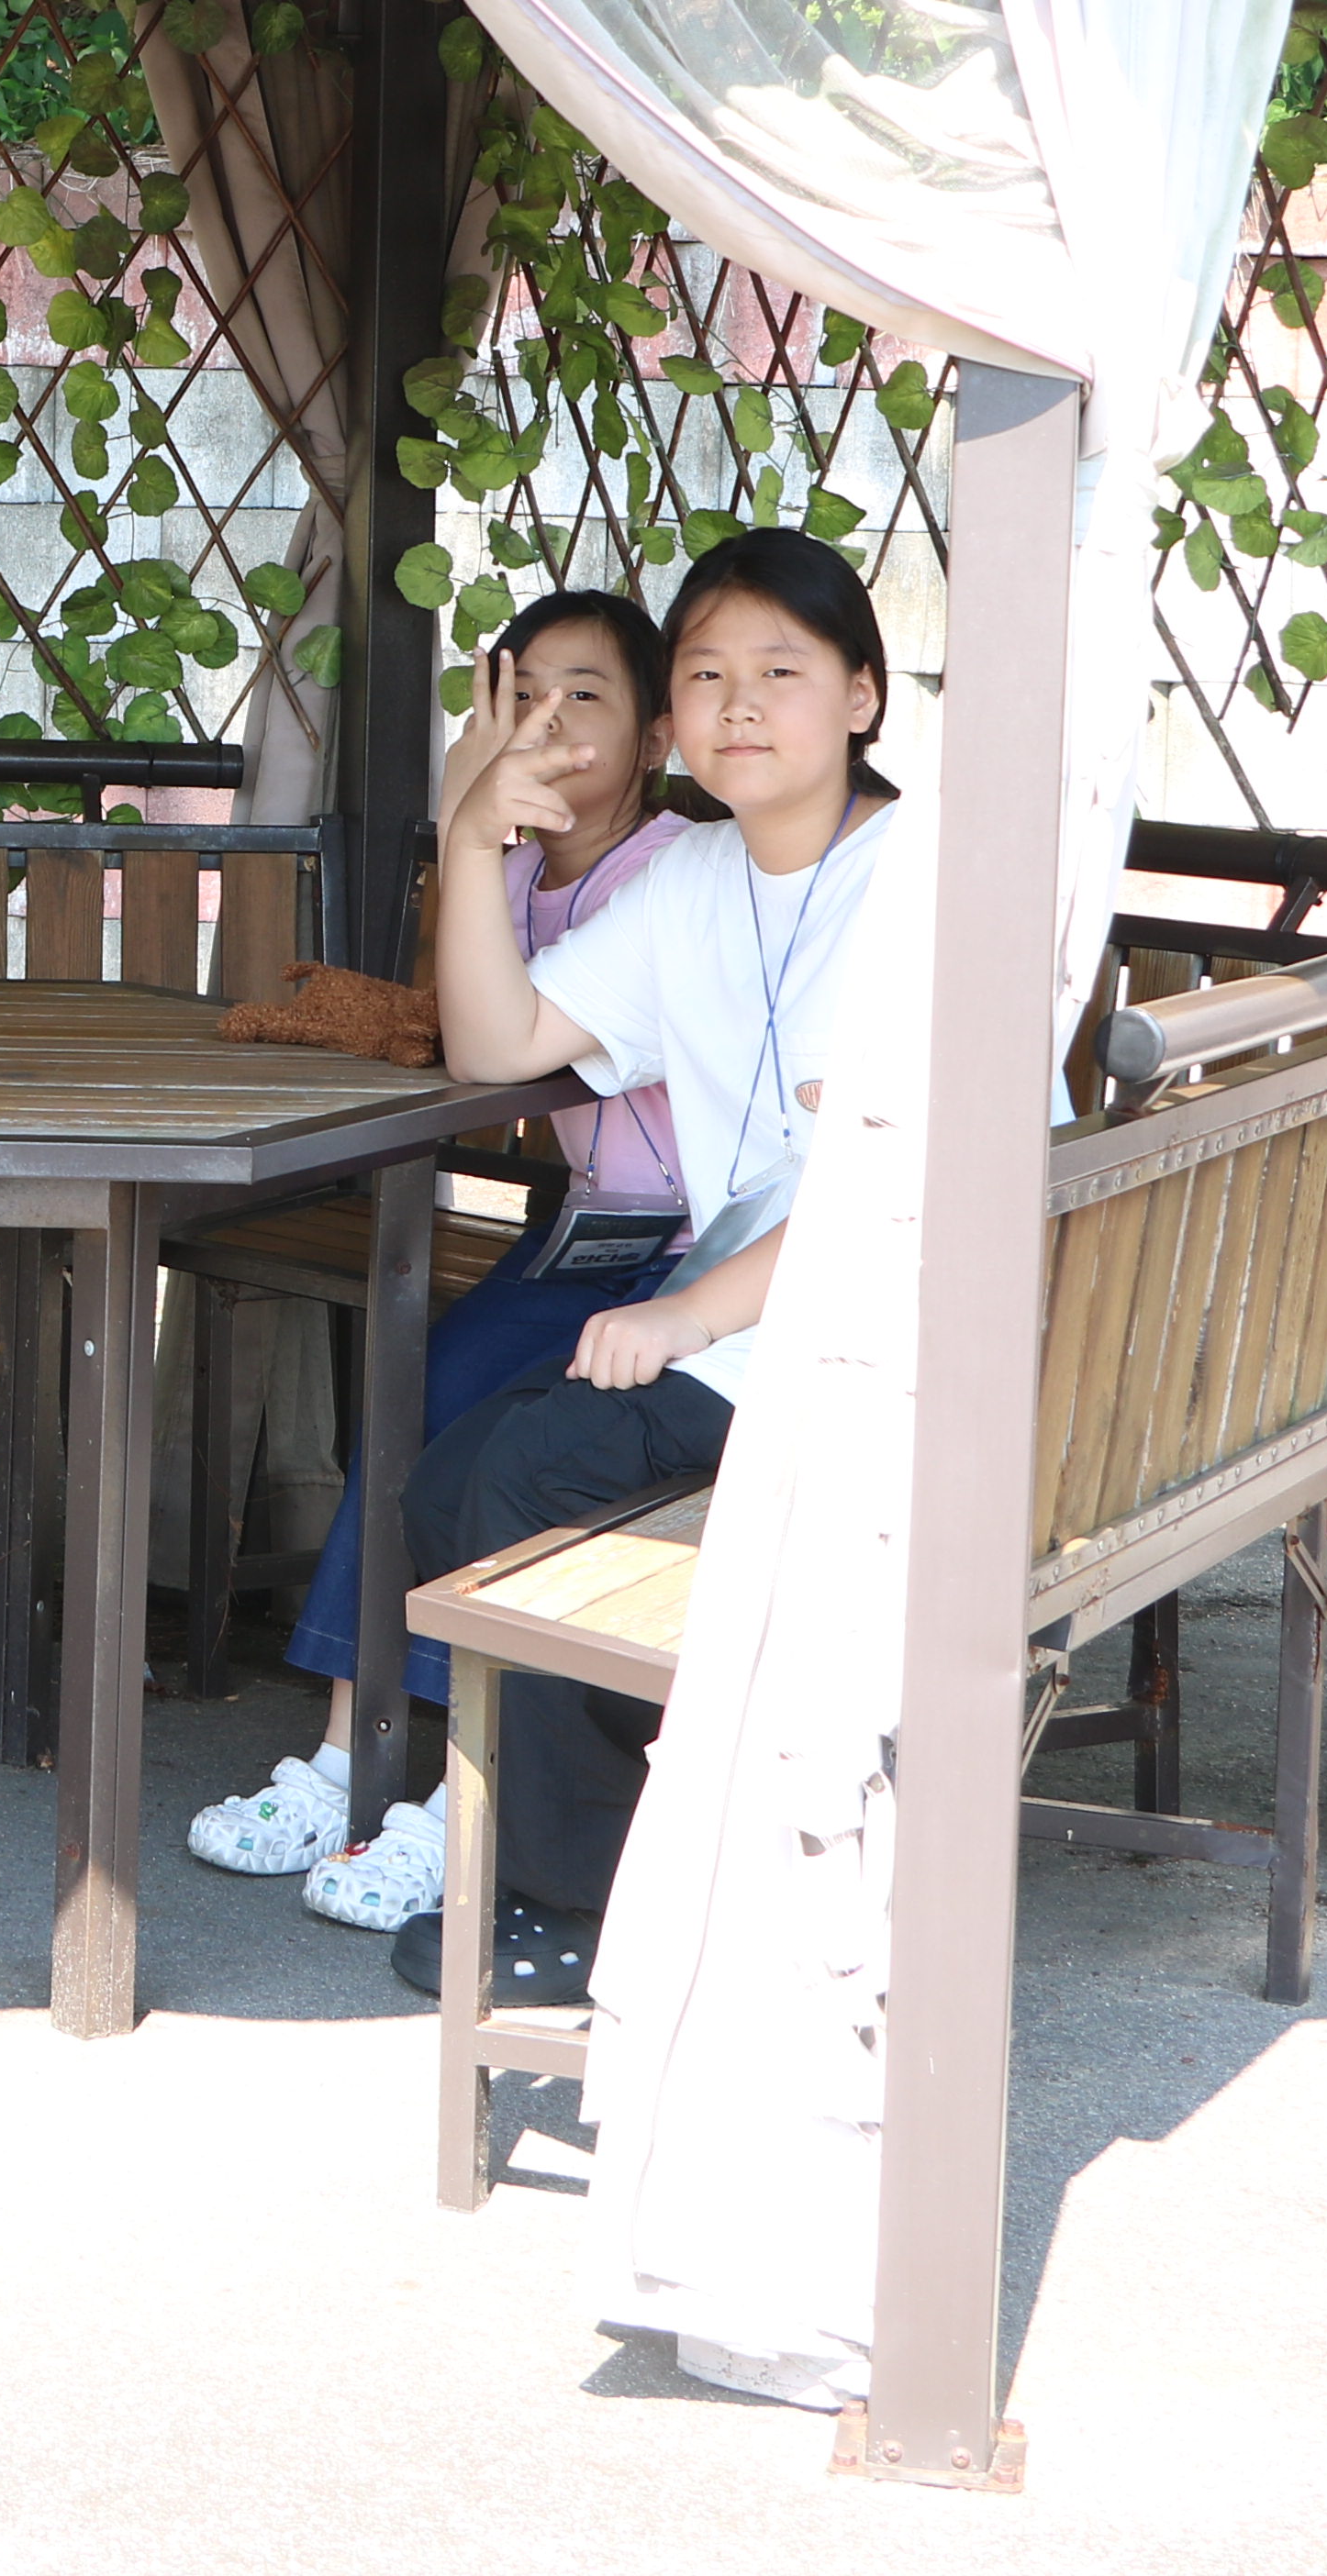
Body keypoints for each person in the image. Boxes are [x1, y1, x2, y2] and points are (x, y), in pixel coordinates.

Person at [179, 586, 770, 1930]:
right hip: (581, 1237)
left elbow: (509, 1042)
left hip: (694, 1258)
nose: (547, 721)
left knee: (517, 1450)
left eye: (585, 696)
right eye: (521, 694)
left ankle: (463, 1793)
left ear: (657, 738)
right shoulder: (508, 869)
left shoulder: (672, 868)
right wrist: (469, 817)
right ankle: (347, 1757)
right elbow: (464, 1030)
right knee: (420, 1398)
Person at [385, 526, 903, 2008]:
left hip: (880, 1347)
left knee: (518, 1483)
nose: (739, 705)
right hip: (766, 1334)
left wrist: (682, 1316)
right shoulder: (693, 884)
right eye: (707, 675)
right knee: (451, 1480)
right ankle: (657, 1843)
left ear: (862, 696)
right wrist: (472, 839)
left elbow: (903, 1189)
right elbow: (500, 1045)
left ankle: (584, 1899)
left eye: (781, 672)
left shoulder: (917, 879)